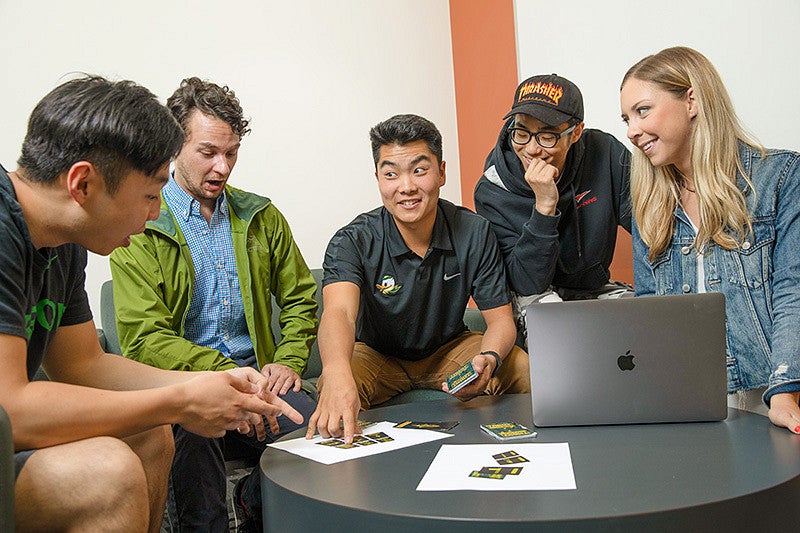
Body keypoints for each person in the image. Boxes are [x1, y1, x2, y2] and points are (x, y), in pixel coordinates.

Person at [1, 76, 301, 532]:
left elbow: (85, 366)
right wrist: (182, 397)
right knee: (109, 471)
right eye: (149, 194)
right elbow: (10, 410)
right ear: (83, 184)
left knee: (151, 433)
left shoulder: (62, 242)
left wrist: (210, 384)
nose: (157, 211)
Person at [109, 77, 318, 530]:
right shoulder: (139, 222)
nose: (223, 167)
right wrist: (221, 379)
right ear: (174, 146)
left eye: (232, 152)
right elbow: (145, 340)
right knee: (195, 435)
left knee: (317, 430)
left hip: (263, 382)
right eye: (208, 152)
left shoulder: (260, 215)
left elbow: (302, 296)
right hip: (186, 386)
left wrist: (286, 361)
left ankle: (251, 503)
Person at [306, 114, 529, 443]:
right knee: (335, 381)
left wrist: (490, 358)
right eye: (391, 174)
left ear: (441, 173)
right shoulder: (352, 240)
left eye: (419, 170)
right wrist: (336, 370)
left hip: (448, 350)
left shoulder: (474, 231)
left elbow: (500, 321)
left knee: (520, 365)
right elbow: (339, 312)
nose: (406, 187)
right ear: (378, 178)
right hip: (377, 354)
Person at [620, 46, 800, 434]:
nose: (632, 131)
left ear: (692, 100)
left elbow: (793, 289)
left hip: (765, 395)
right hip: (684, 401)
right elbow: (649, 309)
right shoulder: (649, 204)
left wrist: (785, 390)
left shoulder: (780, 177)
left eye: (642, 110)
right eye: (626, 119)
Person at [474, 74, 632, 343]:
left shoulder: (604, 152)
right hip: (531, 295)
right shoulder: (492, 190)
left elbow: (648, 225)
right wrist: (545, 206)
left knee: (645, 317)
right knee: (556, 322)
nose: (532, 149)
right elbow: (527, 284)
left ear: (576, 133)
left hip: (590, 287)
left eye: (547, 136)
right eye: (521, 133)